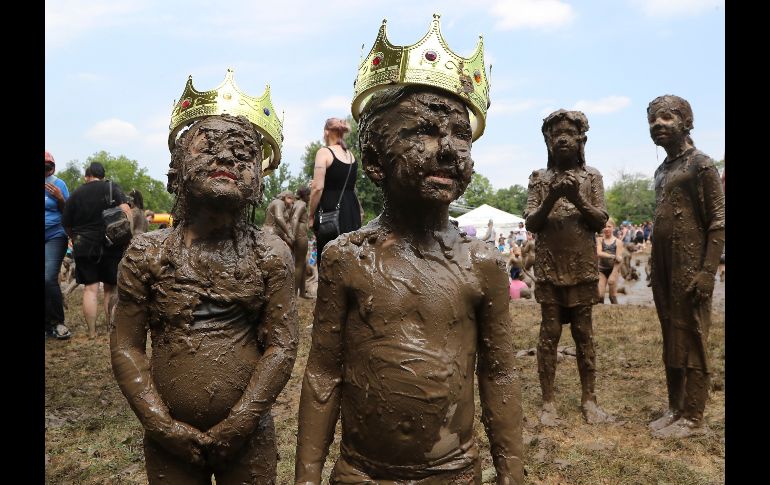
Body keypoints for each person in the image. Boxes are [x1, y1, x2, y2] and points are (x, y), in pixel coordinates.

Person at [295, 21, 523, 481]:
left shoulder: (483, 264)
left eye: (462, 134)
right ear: (376, 161)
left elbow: (499, 375)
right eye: (423, 131)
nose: (449, 150)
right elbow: (323, 373)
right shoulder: (346, 259)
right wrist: (307, 475)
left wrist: (512, 475)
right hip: (362, 472)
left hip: (454, 471)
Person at [110, 109, 298, 482]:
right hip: (168, 440)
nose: (227, 158)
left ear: (259, 182)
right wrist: (159, 423)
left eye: (244, 154)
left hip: (249, 435)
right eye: (208, 148)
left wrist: (242, 421)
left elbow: (282, 345)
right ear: (177, 168)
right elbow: (126, 346)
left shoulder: (270, 253)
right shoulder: (147, 253)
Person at [524, 109, 614, 426]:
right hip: (549, 268)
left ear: (581, 140)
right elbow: (532, 222)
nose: (562, 138)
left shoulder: (592, 177)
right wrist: (551, 198)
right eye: (555, 134)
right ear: (548, 141)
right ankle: (548, 403)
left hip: (582, 268)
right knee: (548, 334)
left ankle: (589, 400)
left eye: (569, 133)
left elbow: (600, 220)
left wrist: (576, 198)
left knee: (583, 334)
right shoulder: (539, 178)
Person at [646, 95, 725, 439]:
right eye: (652, 120)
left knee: (692, 333)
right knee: (671, 334)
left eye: (666, 117)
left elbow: (719, 221)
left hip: (691, 264)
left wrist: (708, 271)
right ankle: (676, 407)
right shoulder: (662, 170)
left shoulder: (701, 165)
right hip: (664, 266)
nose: (657, 125)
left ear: (686, 121)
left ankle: (694, 417)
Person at [62, 161, 131, 338]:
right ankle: (111, 329)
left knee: (90, 289)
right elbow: (125, 209)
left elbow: (66, 224)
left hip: (84, 245)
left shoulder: (76, 193)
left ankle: (92, 333)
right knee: (110, 289)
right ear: (103, 175)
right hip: (111, 243)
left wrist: (74, 237)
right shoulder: (111, 187)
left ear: (87, 176)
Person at [308, 118, 364, 261]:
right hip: (352, 211)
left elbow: (318, 188)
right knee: (351, 259)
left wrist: (310, 216)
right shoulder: (351, 155)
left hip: (331, 213)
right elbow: (349, 186)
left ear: (327, 132)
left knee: (330, 261)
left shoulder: (324, 152)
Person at [45, 151, 72, 339]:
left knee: (48, 277)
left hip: (56, 234)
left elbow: (69, 212)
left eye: (50, 166)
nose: (47, 170)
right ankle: (47, 325)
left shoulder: (59, 184)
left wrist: (60, 198)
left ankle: (58, 322)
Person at [290, 186, 311, 298]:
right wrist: (292, 235)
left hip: (298, 233)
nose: (310, 197)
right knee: (299, 264)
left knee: (302, 264)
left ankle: (302, 292)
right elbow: (295, 218)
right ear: (306, 195)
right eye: (309, 195)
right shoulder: (301, 204)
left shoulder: (295, 203)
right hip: (300, 234)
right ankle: (293, 295)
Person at [596, 218, 622, 304]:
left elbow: (619, 261)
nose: (606, 229)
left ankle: (616, 315)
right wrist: (612, 256)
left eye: (609, 226)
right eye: (604, 227)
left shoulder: (618, 242)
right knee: (600, 295)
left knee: (612, 296)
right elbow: (599, 253)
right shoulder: (600, 240)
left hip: (613, 269)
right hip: (601, 270)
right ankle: (600, 314)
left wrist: (613, 275)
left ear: (613, 228)